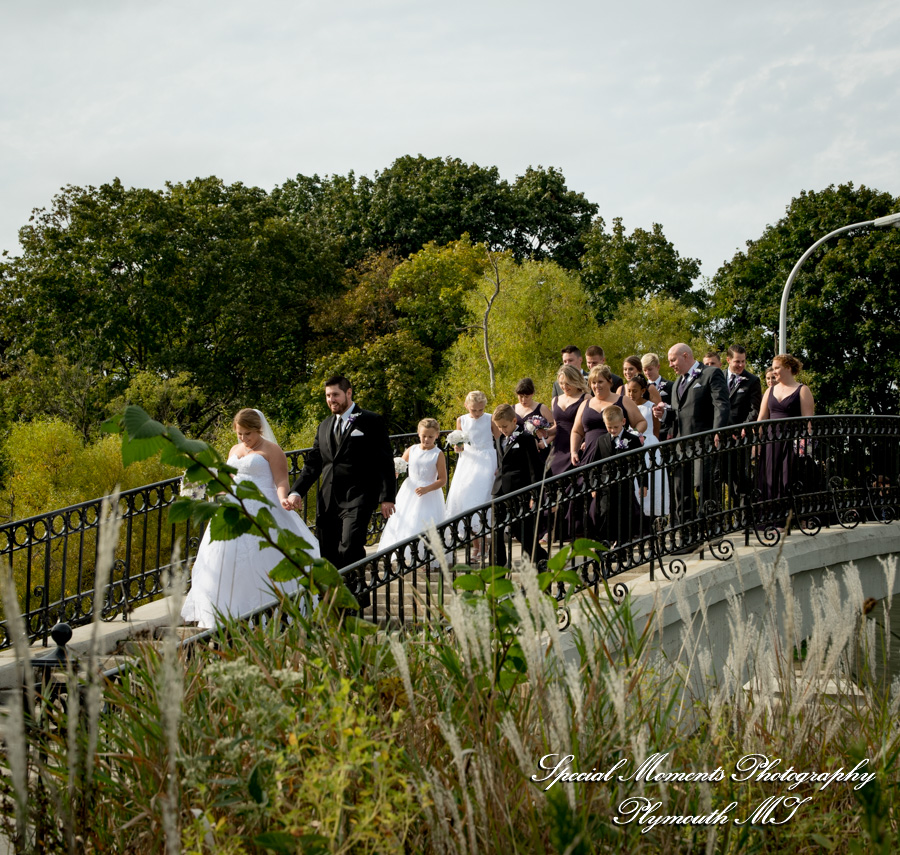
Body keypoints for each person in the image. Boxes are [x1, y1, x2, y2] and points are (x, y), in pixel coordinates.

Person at [182, 408, 321, 628]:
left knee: (262, 560)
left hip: (263, 507)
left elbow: (281, 481)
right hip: (234, 508)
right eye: (240, 434)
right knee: (224, 561)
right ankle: (226, 613)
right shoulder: (234, 449)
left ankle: (271, 612)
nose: (244, 439)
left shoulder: (272, 450)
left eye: (248, 434)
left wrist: (284, 498)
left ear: (259, 429)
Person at [289, 375, 395, 602]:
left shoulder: (371, 420)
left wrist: (387, 497)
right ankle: (335, 600)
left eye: (335, 394)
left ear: (348, 393)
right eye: (327, 396)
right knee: (327, 551)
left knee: (349, 545)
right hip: (327, 499)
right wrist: (296, 491)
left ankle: (356, 597)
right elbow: (313, 463)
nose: (331, 400)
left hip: (359, 496)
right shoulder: (324, 425)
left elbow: (384, 460)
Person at [653, 343, 730, 548]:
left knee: (704, 485)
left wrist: (717, 431)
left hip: (703, 442)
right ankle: (688, 534)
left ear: (685, 356)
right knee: (682, 489)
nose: (670, 365)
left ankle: (714, 528)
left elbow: (721, 404)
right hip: (681, 445)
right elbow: (680, 414)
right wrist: (665, 414)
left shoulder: (711, 374)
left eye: (673, 360)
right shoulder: (678, 381)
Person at [377, 418, 447, 562]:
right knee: (404, 521)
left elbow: (443, 480)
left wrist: (427, 488)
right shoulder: (412, 449)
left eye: (430, 437)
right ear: (418, 434)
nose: (426, 439)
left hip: (429, 494)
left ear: (437, 436)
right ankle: (401, 554)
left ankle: (423, 557)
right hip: (409, 492)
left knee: (424, 524)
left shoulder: (437, 454)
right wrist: (394, 472)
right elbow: (400, 465)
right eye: (424, 436)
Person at [490, 404, 549, 568]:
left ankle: (541, 559)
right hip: (499, 490)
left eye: (505, 426)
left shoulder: (526, 438)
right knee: (496, 529)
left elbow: (534, 469)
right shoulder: (499, 439)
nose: (502, 430)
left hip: (518, 490)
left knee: (522, 531)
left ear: (514, 421)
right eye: (499, 427)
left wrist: (533, 495)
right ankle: (497, 565)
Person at [444, 390, 497, 560]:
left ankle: (486, 545)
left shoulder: (490, 419)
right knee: (465, 502)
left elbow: (500, 441)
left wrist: (500, 465)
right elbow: (459, 442)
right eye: (474, 410)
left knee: (482, 501)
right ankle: (476, 546)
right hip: (467, 462)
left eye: (480, 409)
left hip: (487, 461)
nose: (477, 413)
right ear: (467, 406)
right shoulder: (462, 420)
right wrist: (457, 447)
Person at [756, 354, 815, 504]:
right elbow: (761, 418)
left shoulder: (802, 390)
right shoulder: (769, 391)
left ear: (788, 368)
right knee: (770, 477)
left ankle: (790, 517)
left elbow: (808, 422)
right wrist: (756, 443)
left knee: (789, 477)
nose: (773, 371)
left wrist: (806, 446)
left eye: (777, 368)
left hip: (792, 440)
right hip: (771, 440)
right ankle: (771, 517)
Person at [586, 406, 645, 547]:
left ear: (623, 422)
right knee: (605, 513)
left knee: (624, 514)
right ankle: (606, 542)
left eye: (615, 427)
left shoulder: (632, 440)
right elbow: (595, 465)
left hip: (625, 484)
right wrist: (594, 484)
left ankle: (622, 545)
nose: (612, 430)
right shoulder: (601, 440)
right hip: (605, 486)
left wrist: (643, 484)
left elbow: (640, 464)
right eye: (609, 427)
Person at [570, 365, 647, 468]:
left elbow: (641, 422)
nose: (596, 386)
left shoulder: (624, 401)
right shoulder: (585, 404)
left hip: (617, 455)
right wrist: (574, 451)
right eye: (593, 382)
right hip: (590, 456)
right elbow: (576, 431)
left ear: (610, 381)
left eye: (600, 382)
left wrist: (630, 436)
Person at [723, 345, 763, 509]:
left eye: (743, 361)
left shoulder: (752, 380)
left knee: (741, 477)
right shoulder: (718, 377)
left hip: (741, 436)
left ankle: (743, 515)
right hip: (720, 434)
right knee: (722, 476)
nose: (740, 365)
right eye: (737, 361)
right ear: (728, 360)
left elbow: (754, 409)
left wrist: (743, 428)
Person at [624, 377, 669, 518]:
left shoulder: (650, 406)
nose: (631, 394)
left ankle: (653, 514)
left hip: (649, 443)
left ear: (643, 391)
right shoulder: (626, 407)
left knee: (651, 478)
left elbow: (656, 429)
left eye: (635, 391)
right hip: (632, 445)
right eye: (629, 391)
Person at [549, 365, 590, 478]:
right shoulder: (555, 400)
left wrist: (586, 441)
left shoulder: (586, 398)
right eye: (561, 383)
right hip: (558, 448)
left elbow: (588, 424)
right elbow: (557, 425)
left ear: (575, 380)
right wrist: (546, 432)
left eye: (568, 383)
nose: (564, 387)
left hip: (577, 446)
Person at [514, 377, 554, 462]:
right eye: (520, 396)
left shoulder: (542, 408)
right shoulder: (512, 409)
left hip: (539, 451)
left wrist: (546, 441)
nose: (523, 400)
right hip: (519, 453)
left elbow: (555, 428)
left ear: (532, 394)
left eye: (526, 397)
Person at [642, 352, 674, 440]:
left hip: (666, 430)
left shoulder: (670, 386)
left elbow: (674, 409)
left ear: (658, 367)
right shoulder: (642, 389)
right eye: (645, 370)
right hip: (649, 430)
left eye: (650, 369)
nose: (647, 372)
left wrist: (672, 430)